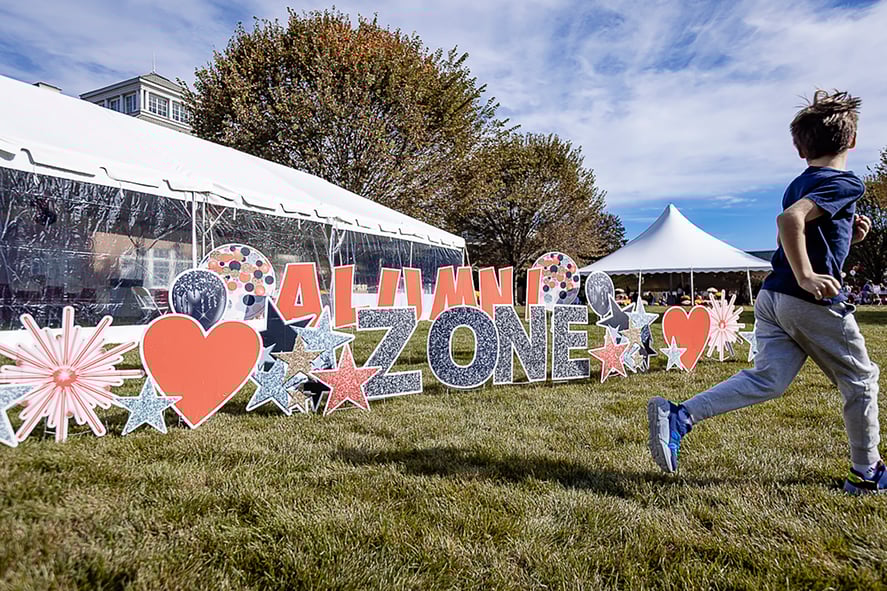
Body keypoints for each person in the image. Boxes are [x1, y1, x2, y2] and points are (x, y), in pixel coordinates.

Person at [648, 90, 883, 493]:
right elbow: (790, 220)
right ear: (853, 141)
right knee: (861, 381)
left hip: (772, 298)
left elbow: (807, 227)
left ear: (799, 148)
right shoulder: (845, 182)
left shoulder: (802, 182)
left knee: (769, 379)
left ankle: (680, 416)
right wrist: (808, 276)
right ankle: (867, 472)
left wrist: (849, 234)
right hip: (807, 299)